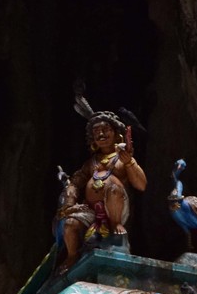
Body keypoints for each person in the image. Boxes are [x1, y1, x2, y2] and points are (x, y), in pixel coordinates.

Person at [55, 111, 146, 272]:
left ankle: (115, 225)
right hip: (91, 210)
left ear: (116, 134)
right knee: (70, 224)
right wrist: (69, 202)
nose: (101, 134)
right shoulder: (91, 162)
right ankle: (72, 255)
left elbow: (141, 185)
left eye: (105, 130)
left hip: (115, 207)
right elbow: (76, 182)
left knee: (113, 187)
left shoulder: (122, 158)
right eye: (96, 132)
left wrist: (130, 163)